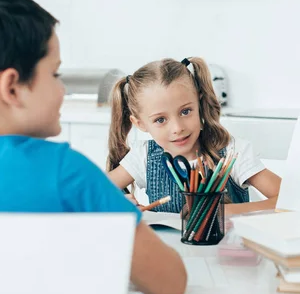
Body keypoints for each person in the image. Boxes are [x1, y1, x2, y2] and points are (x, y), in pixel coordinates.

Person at [0, 0, 187, 294]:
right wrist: (114, 221)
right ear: (12, 87)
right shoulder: (65, 172)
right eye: (55, 74)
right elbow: (170, 282)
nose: (63, 89)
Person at [106, 57, 281, 215]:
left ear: (199, 103)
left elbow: (288, 200)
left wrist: (229, 211)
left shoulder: (233, 152)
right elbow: (85, 194)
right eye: (160, 120)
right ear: (140, 124)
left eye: (185, 111)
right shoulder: (143, 157)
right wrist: (114, 204)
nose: (177, 128)